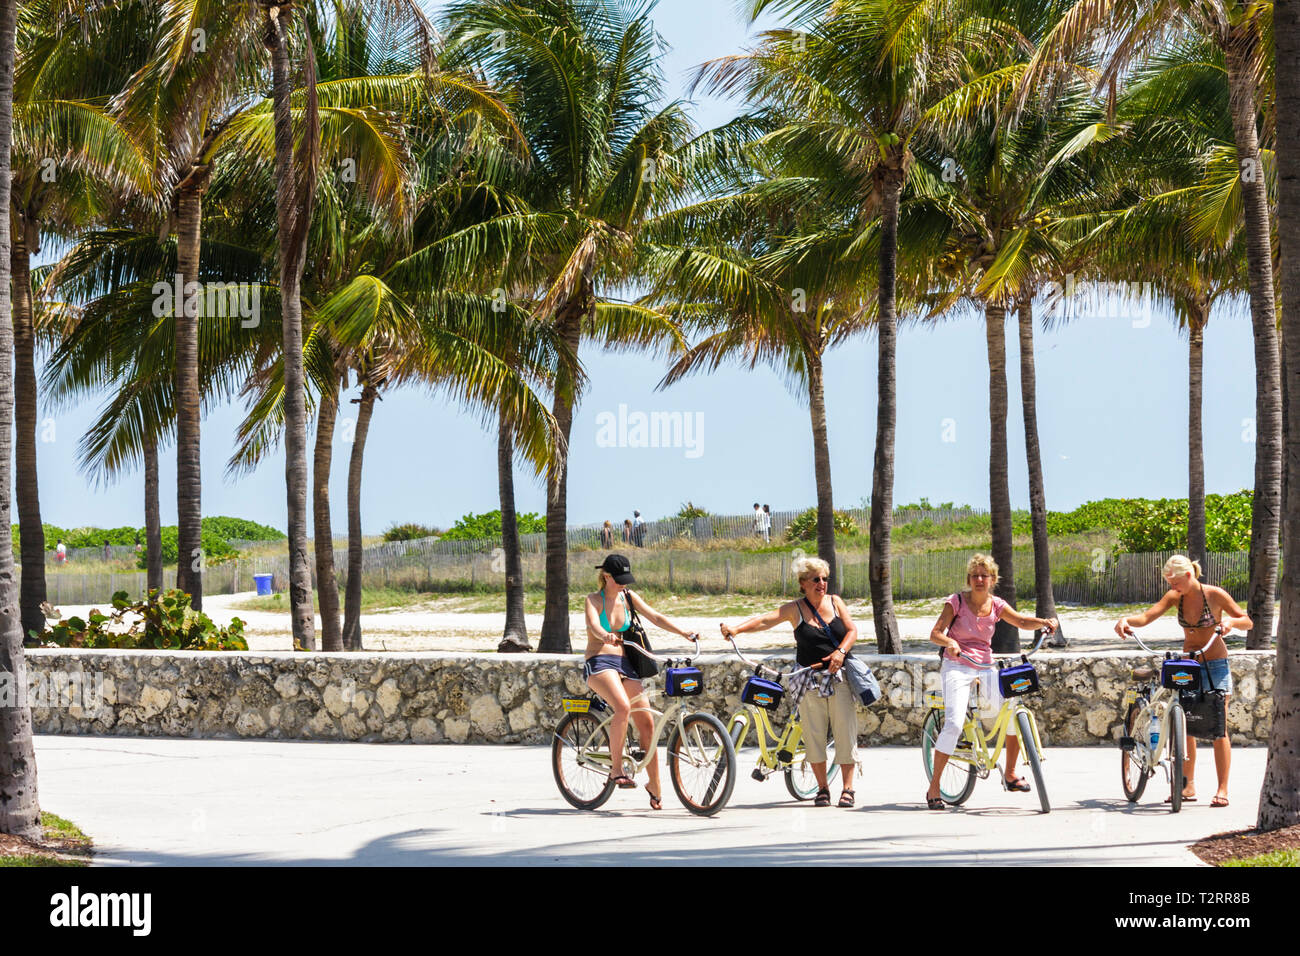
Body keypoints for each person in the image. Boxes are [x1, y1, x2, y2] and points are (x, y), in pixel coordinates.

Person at [720, 555, 861, 807]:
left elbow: (851, 630)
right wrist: (736, 630)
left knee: (844, 732)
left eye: (825, 579)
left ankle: (848, 788)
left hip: (838, 677)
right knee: (814, 735)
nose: (822, 583)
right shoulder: (794, 609)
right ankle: (823, 789)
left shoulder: (836, 602)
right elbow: (765, 620)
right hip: (808, 679)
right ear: (803, 583)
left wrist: (841, 652)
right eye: (816, 579)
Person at [1115, 555, 1252, 807]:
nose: (1172, 587)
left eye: (1175, 582)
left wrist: (1231, 622)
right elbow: (1147, 617)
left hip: (1215, 666)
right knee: (1185, 724)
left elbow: (1247, 620)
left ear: (1189, 576)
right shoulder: (1174, 597)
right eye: (1169, 582)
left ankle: (1222, 788)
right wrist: (1126, 621)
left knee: (1218, 726)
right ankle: (1188, 785)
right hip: (1188, 665)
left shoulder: (1215, 594)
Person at [925, 554, 1058, 810]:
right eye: (974, 575)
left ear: (992, 579)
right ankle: (934, 786)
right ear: (969, 579)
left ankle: (1010, 774)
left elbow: (1020, 621)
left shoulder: (996, 604)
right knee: (953, 723)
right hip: (957, 664)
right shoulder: (957, 602)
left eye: (984, 575)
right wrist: (950, 643)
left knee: (1010, 715)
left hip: (985, 665)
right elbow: (935, 634)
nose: (979, 579)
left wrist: (1043, 623)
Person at [584, 553, 700, 809]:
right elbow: (593, 625)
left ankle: (655, 784)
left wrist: (684, 632)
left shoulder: (627, 597)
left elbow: (655, 617)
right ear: (606, 576)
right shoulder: (593, 600)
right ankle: (616, 770)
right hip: (599, 663)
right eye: (619, 579)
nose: (624, 583)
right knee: (622, 707)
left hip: (626, 665)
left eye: (626, 578)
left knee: (647, 722)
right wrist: (605, 635)